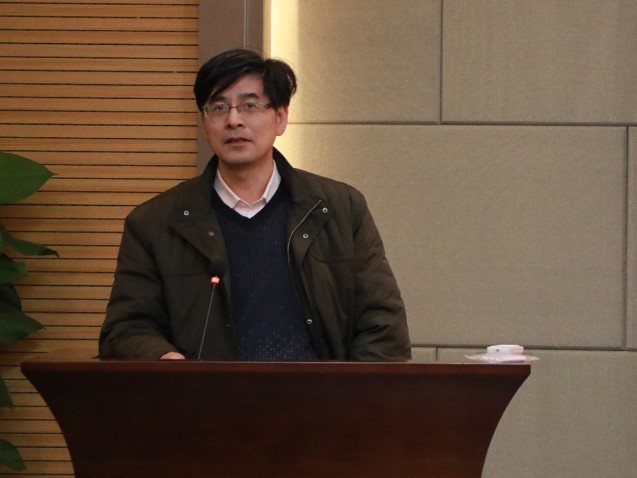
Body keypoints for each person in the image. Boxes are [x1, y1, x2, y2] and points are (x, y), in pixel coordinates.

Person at [98, 48, 411, 361]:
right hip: (206, 392)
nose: (234, 121)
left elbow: (383, 325)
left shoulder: (340, 209)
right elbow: (125, 329)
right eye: (219, 107)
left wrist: (346, 389)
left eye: (250, 105)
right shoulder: (154, 222)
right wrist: (166, 360)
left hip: (320, 392)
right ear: (205, 123)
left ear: (280, 118)